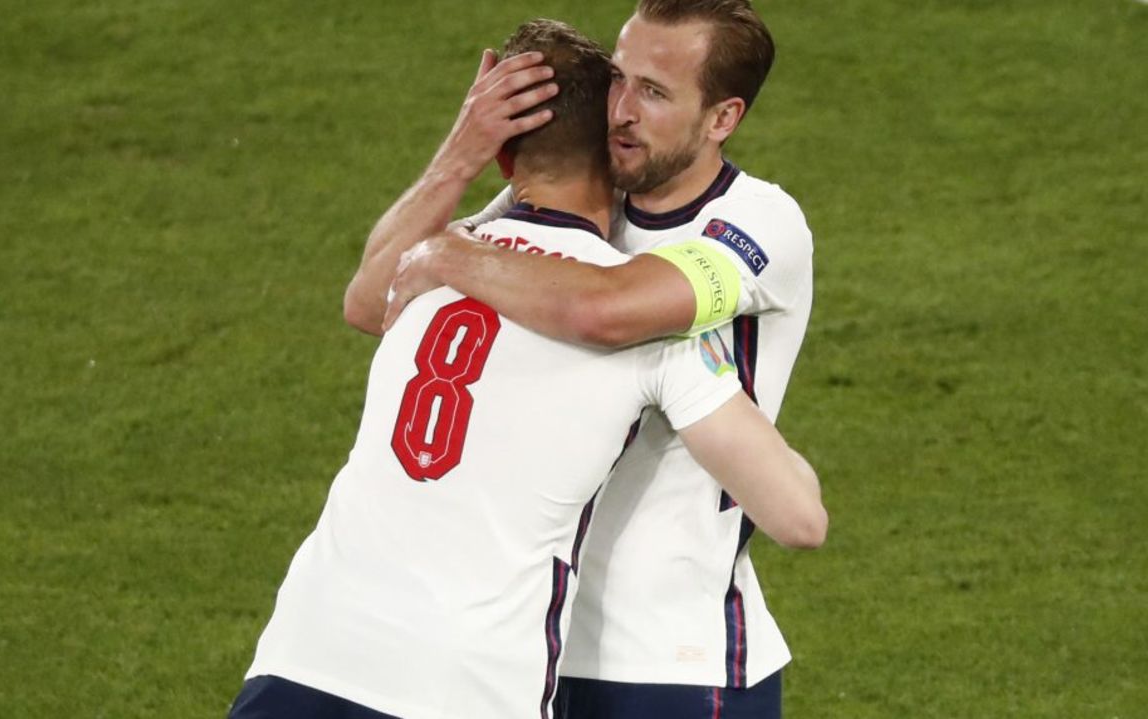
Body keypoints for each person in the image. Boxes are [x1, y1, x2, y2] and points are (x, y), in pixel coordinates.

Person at [232, 18, 825, 719]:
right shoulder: (539, 219)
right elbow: (370, 301)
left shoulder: (756, 220)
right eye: (620, 81)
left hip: (667, 653)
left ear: (724, 116)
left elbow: (611, 308)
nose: (623, 111)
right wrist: (460, 156)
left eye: (655, 92)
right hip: (529, 643)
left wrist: (447, 252)